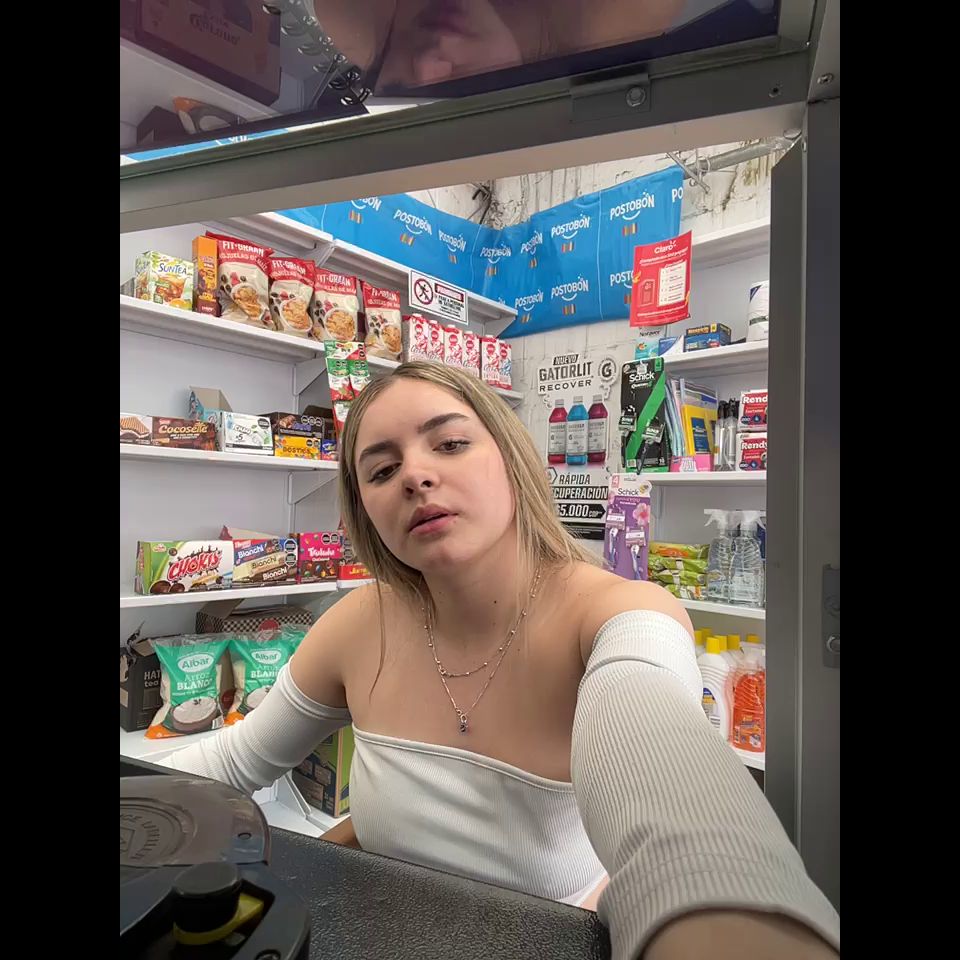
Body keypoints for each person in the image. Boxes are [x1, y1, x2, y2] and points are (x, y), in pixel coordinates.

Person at [164, 362, 840, 959]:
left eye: (450, 443)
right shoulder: (357, 623)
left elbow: (682, 821)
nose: (416, 476)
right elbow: (229, 766)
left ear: (511, 458)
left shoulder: (619, 616)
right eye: (382, 470)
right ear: (366, 511)